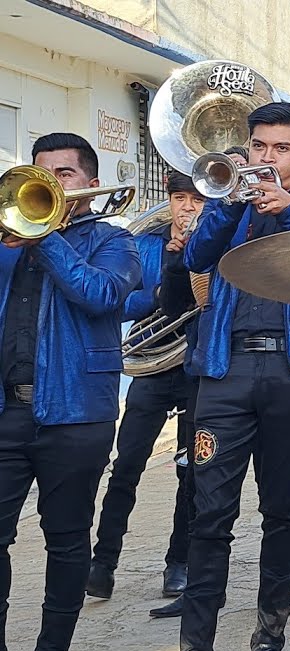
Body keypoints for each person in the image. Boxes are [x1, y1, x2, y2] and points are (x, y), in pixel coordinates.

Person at [140, 103, 290, 651]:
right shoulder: (225, 198)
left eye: (281, 148)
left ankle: (270, 645)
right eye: (259, 146)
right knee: (209, 517)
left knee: (281, 513)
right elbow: (197, 257)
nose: (267, 158)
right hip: (224, 374)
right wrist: (231, 202)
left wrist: (287, 210)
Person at [0, 132, 141, 651]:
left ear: (90, 183)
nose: (52, 183)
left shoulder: (114, 242)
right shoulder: (7, 243)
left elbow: (101, 295)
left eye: (64, 174)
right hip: (7, 411)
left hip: (77, 414)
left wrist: (47, 235)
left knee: (66, 541)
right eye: (42, 174)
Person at [86, 172, 205, 605]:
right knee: (127, 466)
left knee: (191, 471)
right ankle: (103, 563)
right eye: (179, 197)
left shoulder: (215, 242)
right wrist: (157, 294)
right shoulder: (143, 243)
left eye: (196, 199)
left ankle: (179, 563)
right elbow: (120, 302)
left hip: (195, 366)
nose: (187, 207)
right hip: (152, 366)